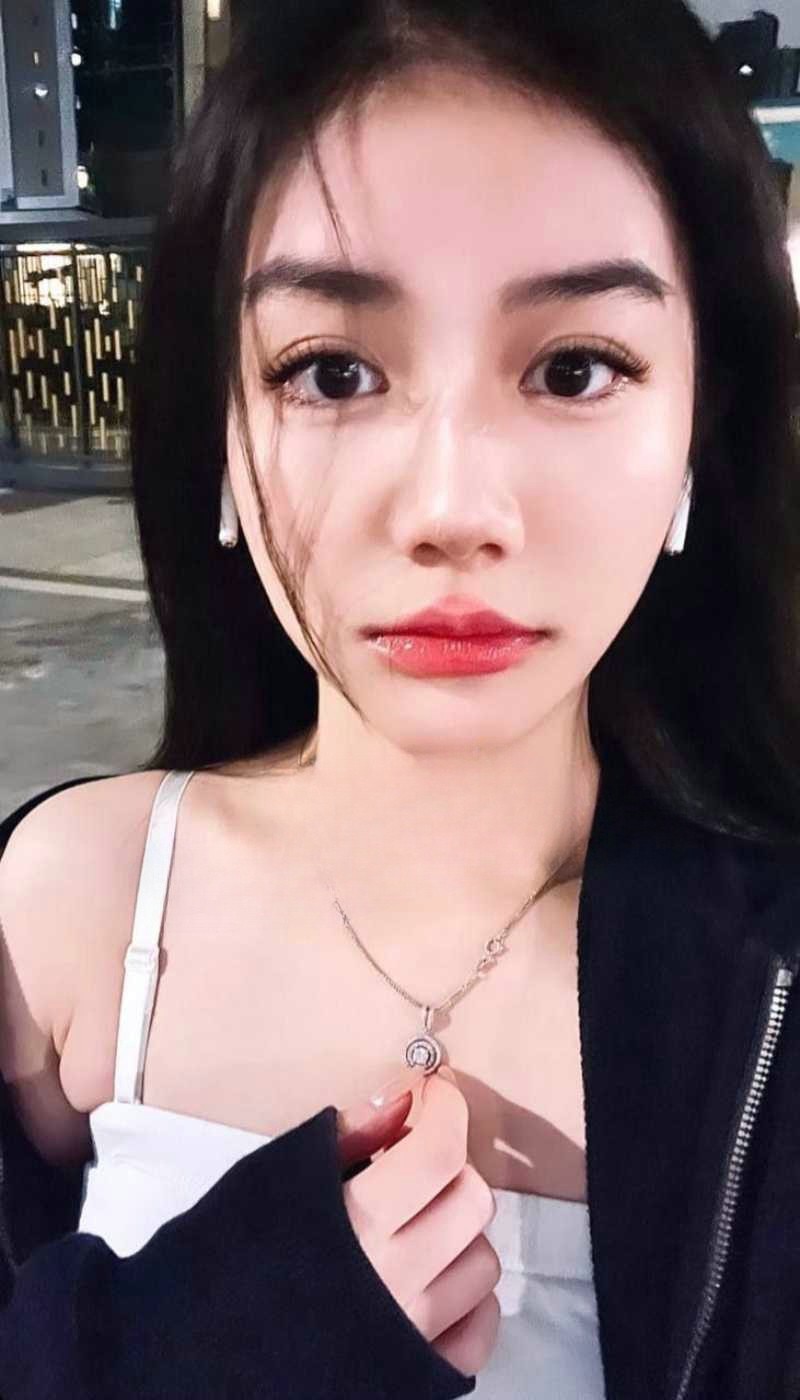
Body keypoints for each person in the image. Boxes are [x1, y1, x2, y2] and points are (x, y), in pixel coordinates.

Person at [1, 0, 800, 1396]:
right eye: (332, 372)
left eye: (575, 369)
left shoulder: (770, 994)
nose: (451, 509)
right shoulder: (73, 907)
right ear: (223, 432)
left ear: (696, 433)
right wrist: (204, 1341)